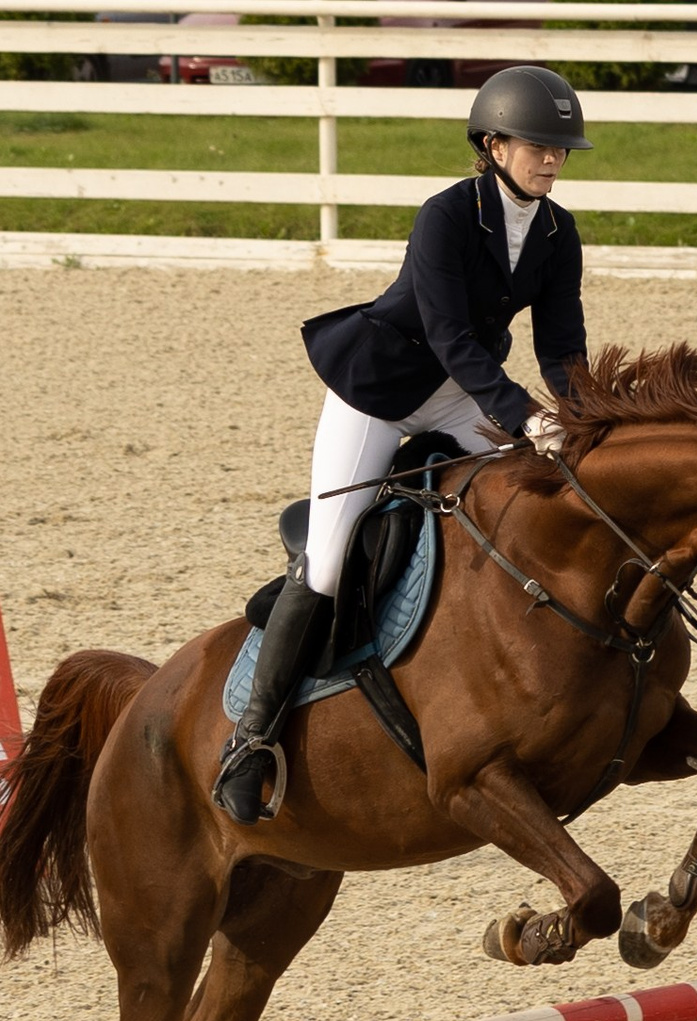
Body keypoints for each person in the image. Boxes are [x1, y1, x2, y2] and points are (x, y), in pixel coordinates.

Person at [211, 65, 594, 824]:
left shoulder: (556, 231)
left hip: (459, 392)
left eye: (560, 148)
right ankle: (250, 741)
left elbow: (562, 344)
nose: (551, 158)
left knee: (523, 489)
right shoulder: (446, 216)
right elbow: (451, 335)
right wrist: (523, 413)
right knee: (326, 555)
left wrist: (585, 417)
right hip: (380, 392)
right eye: (536, 144)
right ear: (492, 145)